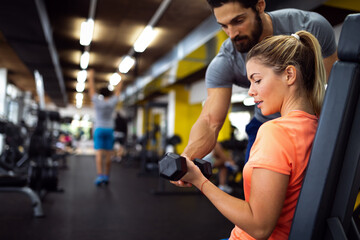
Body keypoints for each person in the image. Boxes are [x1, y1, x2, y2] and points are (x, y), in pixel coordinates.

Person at [175, 30, 326, 239]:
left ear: (289, 75)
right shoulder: (317, 126)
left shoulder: (275, 131)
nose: (251, 91)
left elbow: (259, 226)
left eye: (257, 80)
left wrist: (199, 181)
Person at [181, 0, 337, 164]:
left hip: (312, 122)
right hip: (265, 124)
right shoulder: (226, 61)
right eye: (224, 26)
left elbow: (336, 89)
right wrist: (187, 158)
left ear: (260, 6)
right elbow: (210, 121)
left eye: (238, 21)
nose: (232, 33)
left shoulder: (309, 26)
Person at [87, 69, 123, 186]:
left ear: (101, 94)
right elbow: (118, 90)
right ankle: (107, 176)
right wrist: (120, 77)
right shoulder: (112, 101)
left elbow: (91, 90)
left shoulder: (98, 101)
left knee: (98, 154)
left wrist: (91, 76)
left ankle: (100, 176)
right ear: (109, 94)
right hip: (109, 130)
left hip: (99, 129)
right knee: (108, 155)